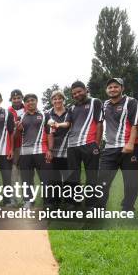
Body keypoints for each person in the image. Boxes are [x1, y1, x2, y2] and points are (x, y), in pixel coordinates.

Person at [53, 81, 103, 209]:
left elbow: (99, 123)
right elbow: (68, 124)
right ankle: (74, 202)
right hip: (72, 146)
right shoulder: (72, 107)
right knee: (73, 176)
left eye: (79, 91)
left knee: (91, 175)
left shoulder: (95, 102)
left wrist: (97, 144)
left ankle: (91, 204)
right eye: (74, 93)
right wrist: (57, 125)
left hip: (89, 144)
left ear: (86, 90)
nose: (77, 94)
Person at [98, 78, 138, 211]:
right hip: (110, 148)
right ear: (106, 90)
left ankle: (128, 208)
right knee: (102, 180)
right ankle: (100, 207)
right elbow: (98, 123)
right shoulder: (104, 104)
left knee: (131, 182)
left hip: (129, 148)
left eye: (116, 87)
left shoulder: (131, 102)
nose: (113, 89)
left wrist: (130, 143)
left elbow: (135, 124)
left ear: (122, 88)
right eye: (110, 87)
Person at [16, 93, 52, 208]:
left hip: (41, 151)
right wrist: (18, 130)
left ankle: (47, 202)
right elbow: (16, 136)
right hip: (25, 153)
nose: (30, 103)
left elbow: (50, 133)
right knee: (26, 179)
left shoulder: (45, 114)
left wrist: (50, 150)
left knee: (45, 178)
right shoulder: (20, 117)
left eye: (32, 100)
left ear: (36, 101)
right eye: (27, 101)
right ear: (25, 104)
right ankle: (28, 201)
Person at [45, 90, 70, 208]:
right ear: (51, 101)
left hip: (68, 149)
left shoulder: (70, 111)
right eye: (54, 99)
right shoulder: (47, 113)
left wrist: (58, 125)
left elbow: (70, 124)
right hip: (53, 149)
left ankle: (70, 202)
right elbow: (46, 130)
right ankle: (55, 201)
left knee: (69, 177)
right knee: (54, 178)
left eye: (59, 98)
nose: (57, 101)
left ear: (63, 99)